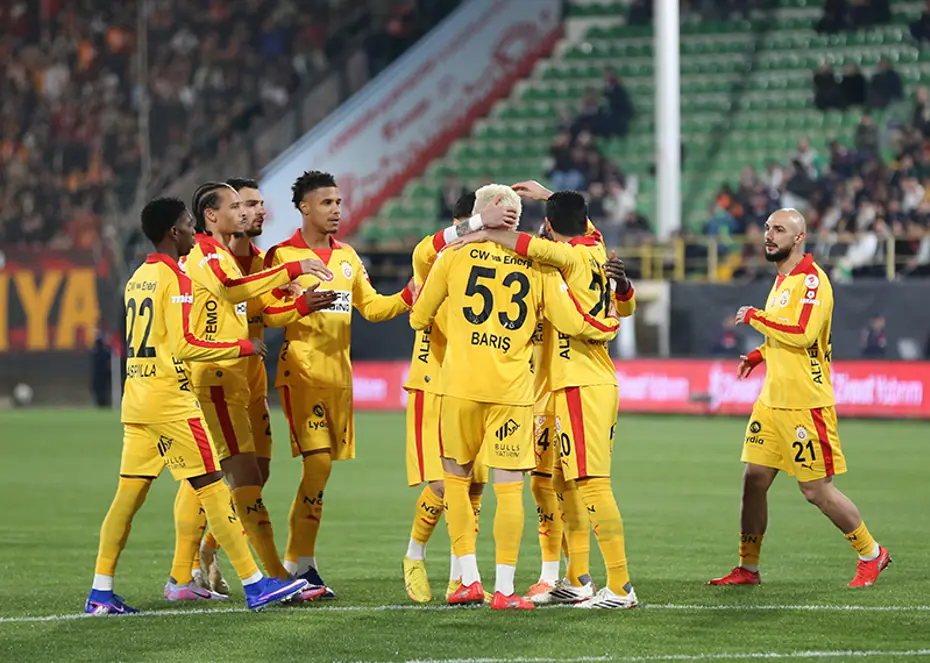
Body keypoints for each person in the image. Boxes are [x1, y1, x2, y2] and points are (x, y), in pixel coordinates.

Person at [85, 197, 309, 615]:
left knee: (127, 498)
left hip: (136, 401)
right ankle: (256, 585)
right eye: (188, 225)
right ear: (174, 231)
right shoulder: (178, 278)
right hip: (172, 401)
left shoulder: (137, 277)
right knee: (212, 491)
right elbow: (187, 344)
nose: (193, 232)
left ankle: (100, 592)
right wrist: (240, 345)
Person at [409, 184, 620, 610]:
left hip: (459, 386)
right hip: (514, 390)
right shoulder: (539, 265)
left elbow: (418, 317)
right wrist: (610, 322)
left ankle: (466, 578)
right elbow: (573, 322)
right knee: (509, 489)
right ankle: (504, 590)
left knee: (457, 479)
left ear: (479, 213)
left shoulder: (451, 257)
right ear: (519, 219)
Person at [168, 182, 334, 600]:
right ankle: (269, 576)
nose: (250, 213)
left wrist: (300, 304)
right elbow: (232, 291)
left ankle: (194, 567)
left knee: (239, 477)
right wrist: (293, 270)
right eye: (240, 205)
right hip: (218, 378)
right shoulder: (210, 254)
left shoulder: (235, 257)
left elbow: (253, 306)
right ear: (213, 214)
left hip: (240, 381)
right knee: (225, 480)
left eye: (253, 205)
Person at [710, 208, 891, 588]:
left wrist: (755, 317)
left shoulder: (812, 281)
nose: (769, 235)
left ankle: (872, 553)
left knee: (816, 490)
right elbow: (784, 333)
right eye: (766, 228)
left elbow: (804, 333)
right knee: (754, 479)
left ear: (799, 237)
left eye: (779, 229)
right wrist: (760, 354)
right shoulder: (783, 280)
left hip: (805, 404)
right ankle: (748, 567)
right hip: (772, 400)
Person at [264, 170, 415, 599]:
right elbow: (266, 313)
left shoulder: (347, 257)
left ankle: (297, 563)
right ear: (304, 207)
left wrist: (407, 296)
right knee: (318, 465)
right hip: (303, 373)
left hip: (339, 379)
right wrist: (299, 304)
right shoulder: (281, 256)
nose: (335, 210)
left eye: (338, 203)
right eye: (326, 203)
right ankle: (297, 564)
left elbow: (372, 308)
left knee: (320, 472)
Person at [401, 192, 519, 604]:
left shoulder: (495, 265)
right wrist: (473, 226)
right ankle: (414, 554)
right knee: (441, 482)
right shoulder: (440, 258)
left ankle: (460, 574)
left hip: (472, 383)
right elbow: (423, 249)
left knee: (475, 486)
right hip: (432, 382)